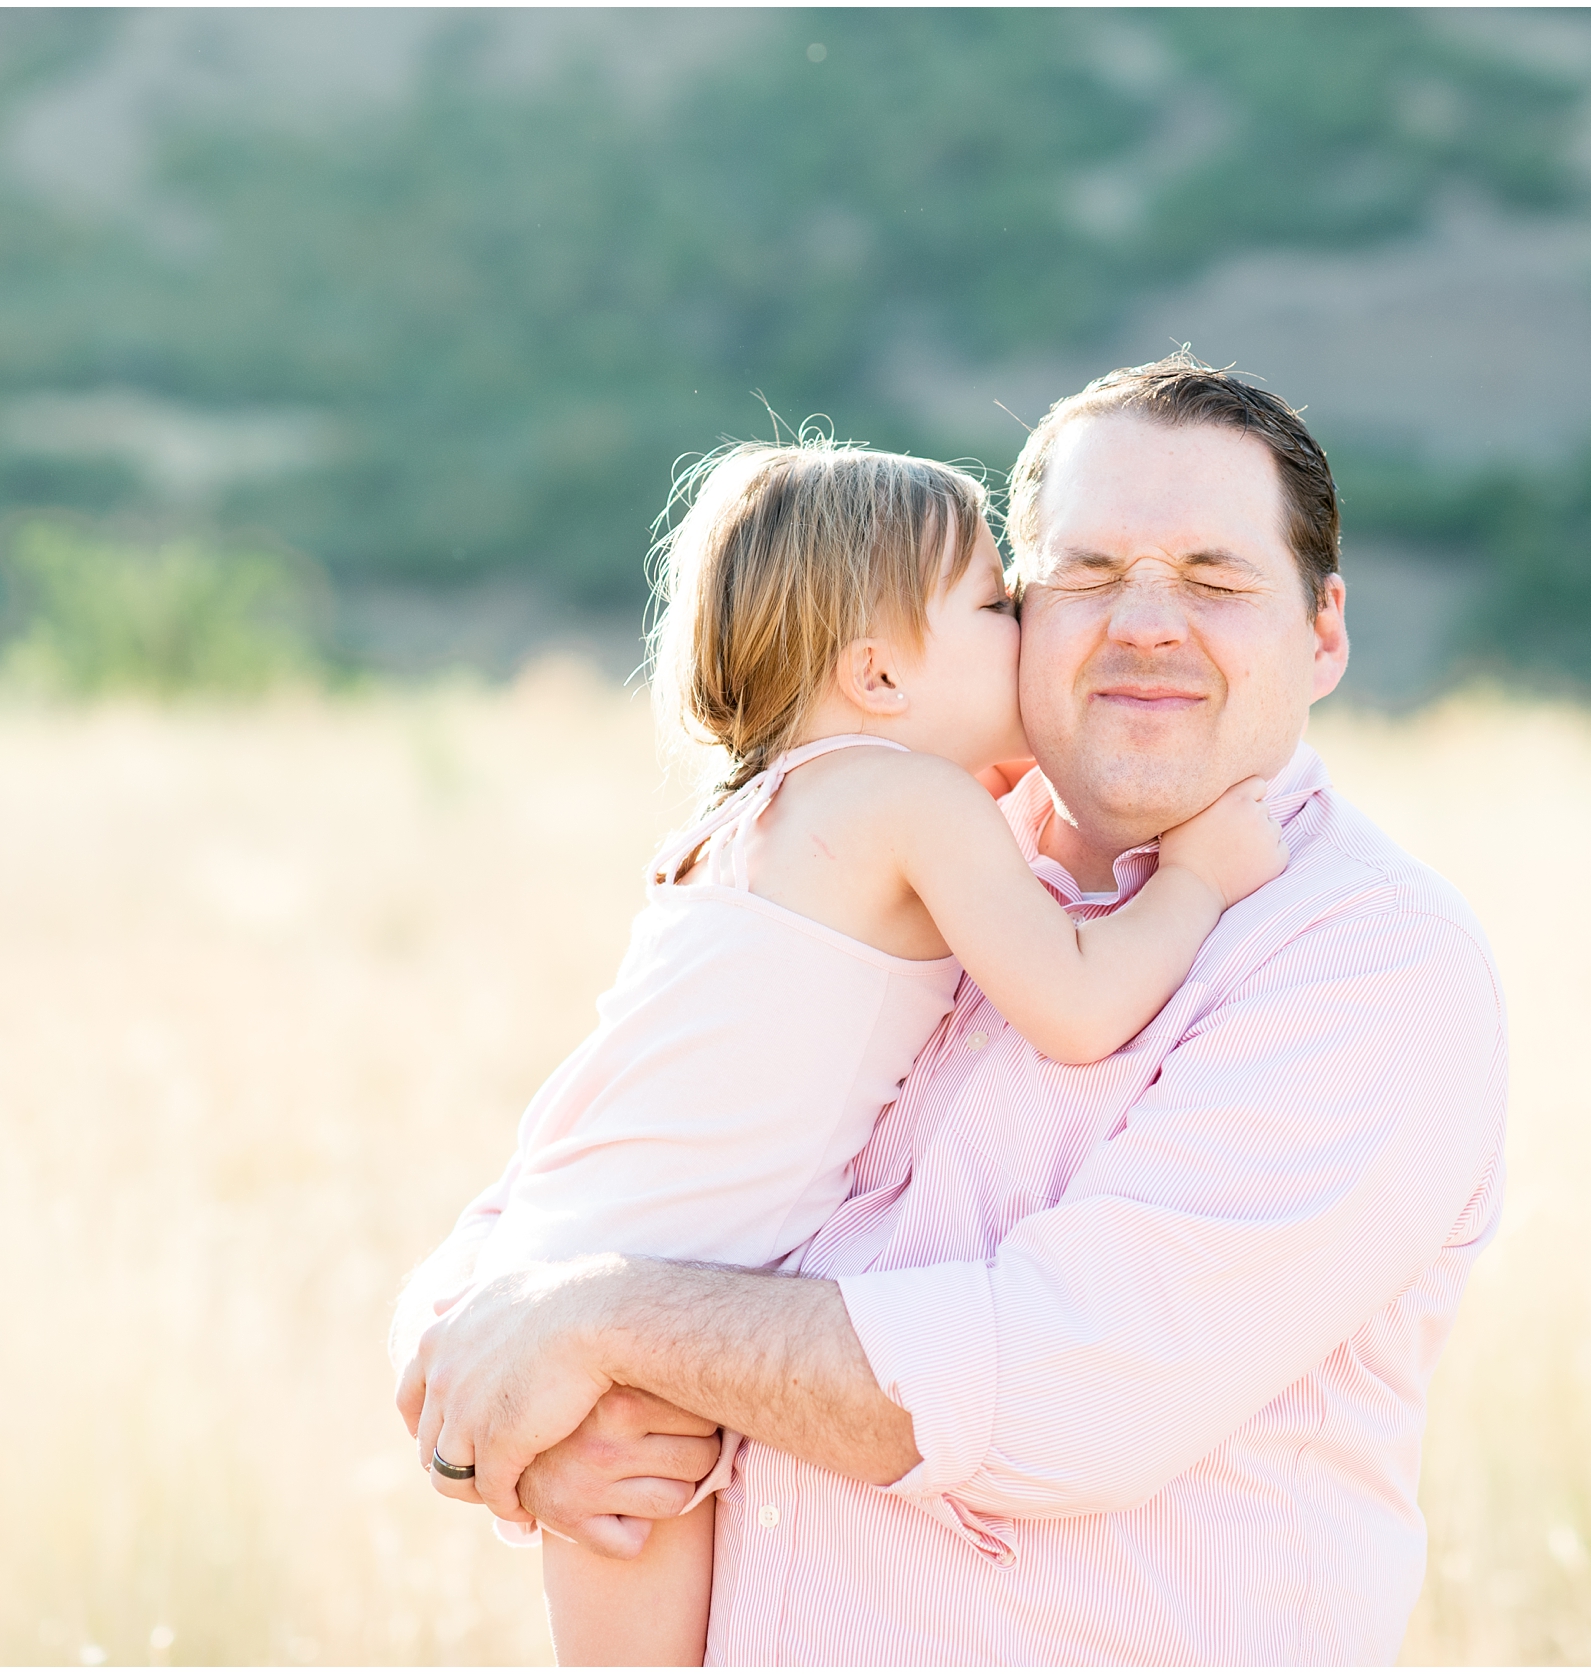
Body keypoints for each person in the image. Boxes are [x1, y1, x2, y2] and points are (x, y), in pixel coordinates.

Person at [396, 352, 1509, 1665]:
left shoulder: (1365, 961)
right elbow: (549, 1189)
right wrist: (493, 1413)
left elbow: (1064, 1393)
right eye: (1084, 575)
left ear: (1321, 633)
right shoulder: (915, 857)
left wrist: (600, 1324)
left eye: (1215, 579)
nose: (1147, 621)